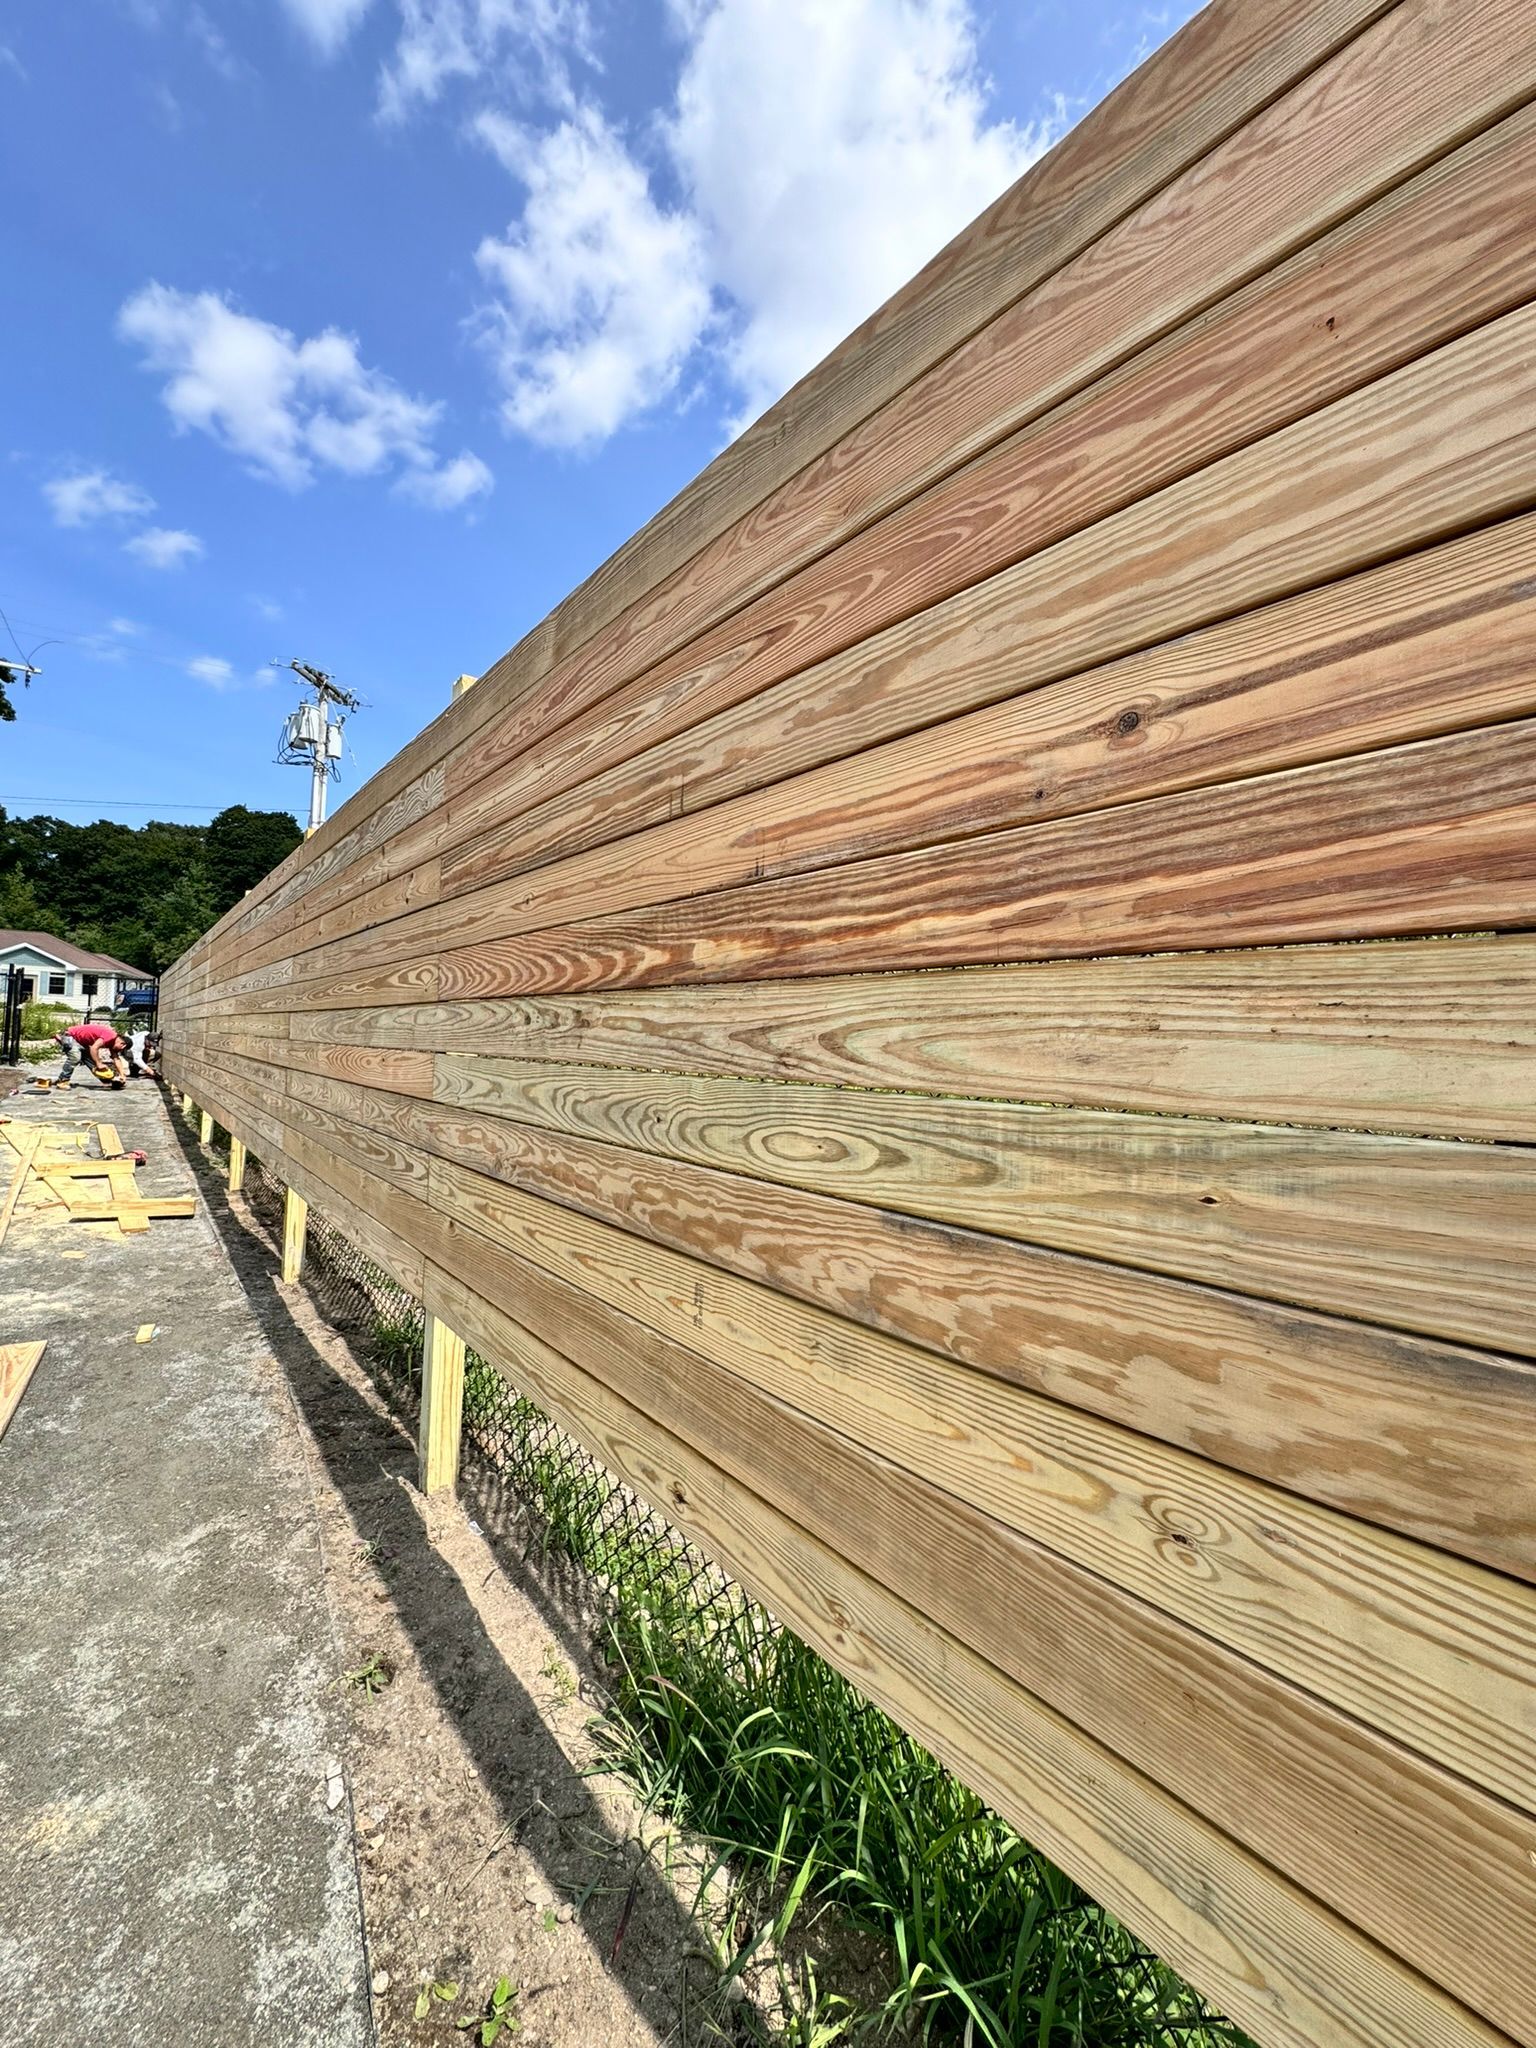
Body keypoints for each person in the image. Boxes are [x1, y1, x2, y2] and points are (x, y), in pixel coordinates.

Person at [53, 1019, 130, 1087]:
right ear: (123, 1045)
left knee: (93, 1061)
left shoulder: (113, 1043)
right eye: (121, 1050)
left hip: (81, 1042)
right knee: (75, 1057)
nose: (119, 1051)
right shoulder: (111, 1036)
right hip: (70, 1035)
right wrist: (99, 1063)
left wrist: (122, 1075)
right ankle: (63, 1081)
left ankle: (108, 1080)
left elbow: (116, 1059)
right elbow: (94, 1048)